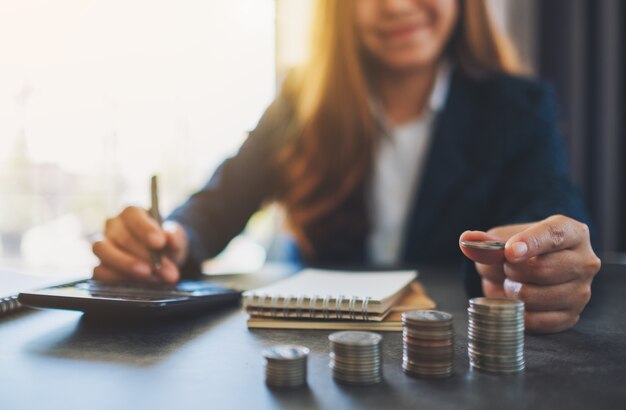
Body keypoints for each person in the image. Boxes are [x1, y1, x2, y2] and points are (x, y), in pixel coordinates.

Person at [91, 0, 601, 333]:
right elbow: (217, 204)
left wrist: (539, 260)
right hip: (319, 359)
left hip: (455, 355)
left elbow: (549, 217)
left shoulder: (520, 107)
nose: (397, 5)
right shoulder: (300, 100)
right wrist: (171, 239)